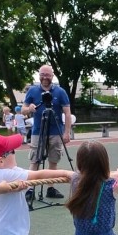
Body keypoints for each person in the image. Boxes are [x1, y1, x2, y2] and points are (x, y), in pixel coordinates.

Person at [23, 65, 72, 201]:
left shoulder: (60, 92)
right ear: (39, 75)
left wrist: (67, 132)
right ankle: (30, 189)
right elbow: (23, 110)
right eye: (42, 74)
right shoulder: (32, 91)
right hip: (38, 131)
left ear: (52, 75)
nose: (45, 77)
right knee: (35, 160)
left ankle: (50, 188)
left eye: (48, 75)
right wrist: (29, 108)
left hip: (56, 131)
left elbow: (67, 113)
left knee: (53, 160)